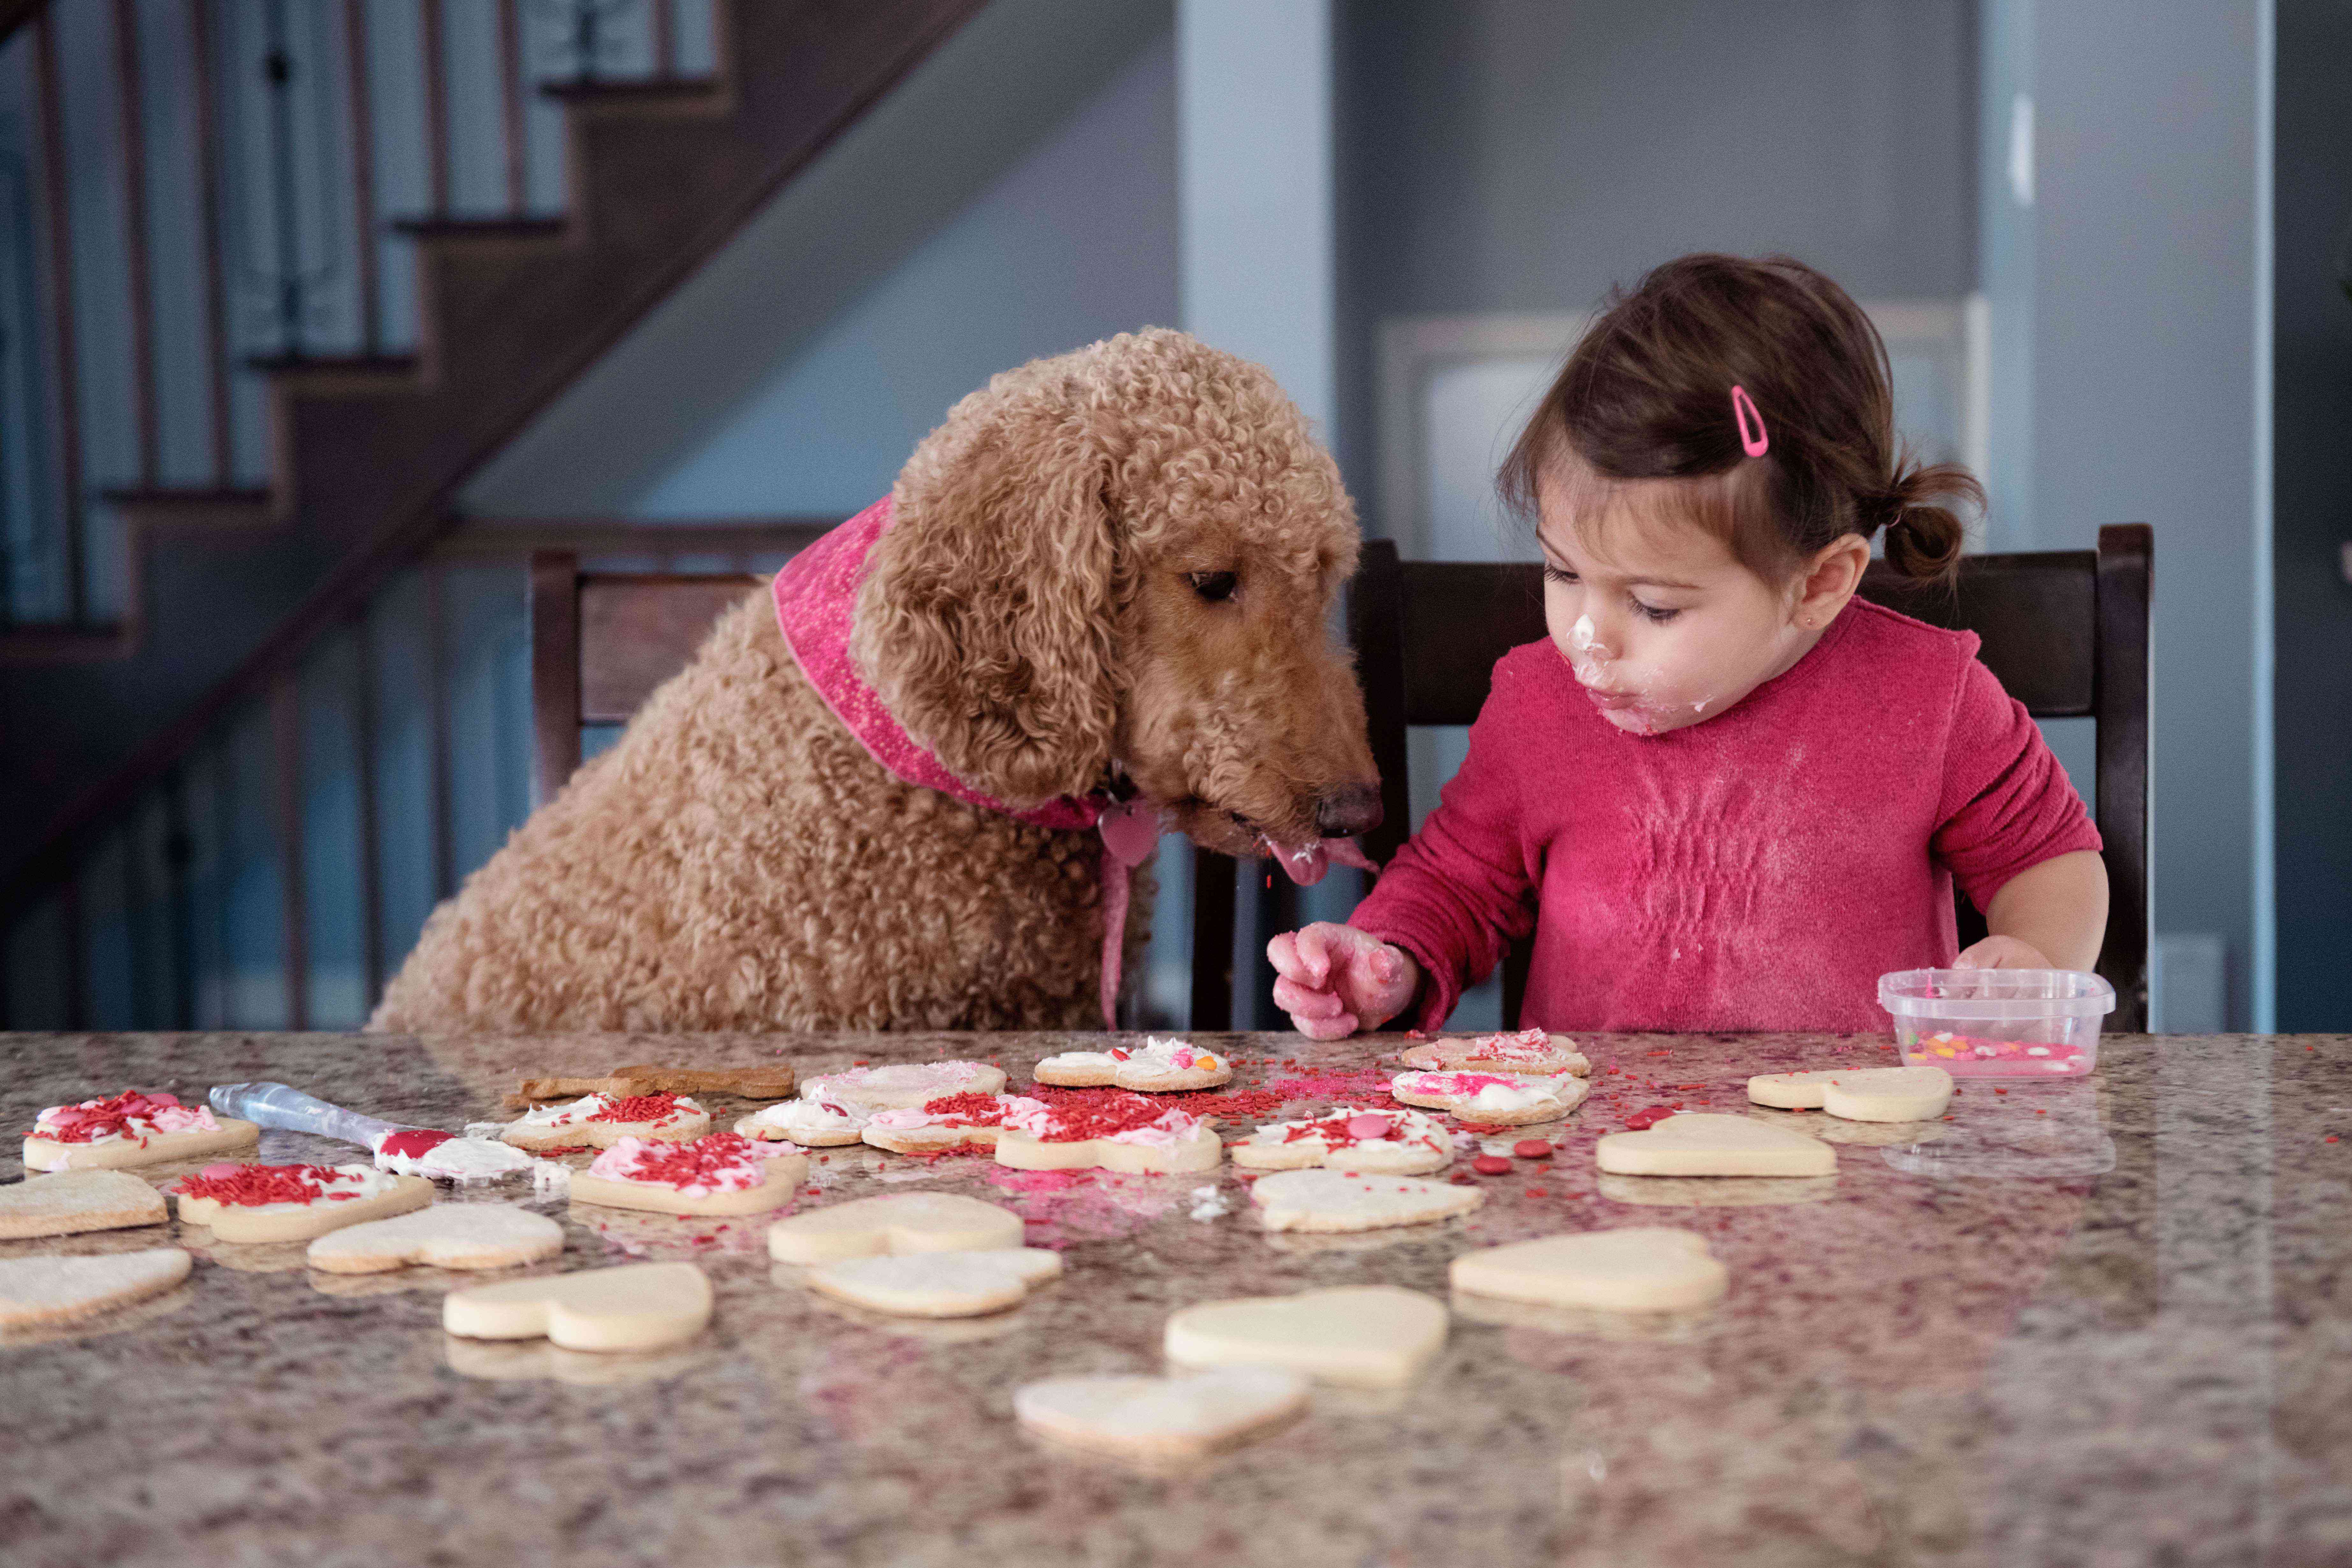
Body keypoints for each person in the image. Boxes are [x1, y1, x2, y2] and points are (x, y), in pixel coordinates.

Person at [1270, 253, 2108, 1039]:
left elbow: (2049, 860)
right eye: (1563, 574)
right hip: (1588, 1155)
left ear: (1818, 584)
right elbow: (1458, 883)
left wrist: (2029, 962)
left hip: (1856, 1156)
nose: (1589, 639)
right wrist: (1390, 960)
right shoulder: (1538, 702)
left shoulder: (1930, 698)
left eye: (1652, 605)